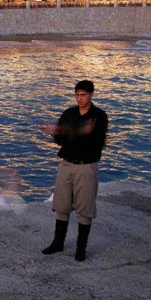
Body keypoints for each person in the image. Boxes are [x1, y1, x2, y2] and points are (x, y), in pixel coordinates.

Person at [41, 80, 108, 261]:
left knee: (85, 208)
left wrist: (71, 132)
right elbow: (62, 141)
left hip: (87, 166)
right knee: (61, 204)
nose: (80, 98)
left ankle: (81, 248)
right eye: (77, 94)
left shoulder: (99, 116)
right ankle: (58, 242)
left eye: (83, 94)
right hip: (67, 164)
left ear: (91, 95)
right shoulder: (69, 113)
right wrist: (56, 133)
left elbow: (95, 141)